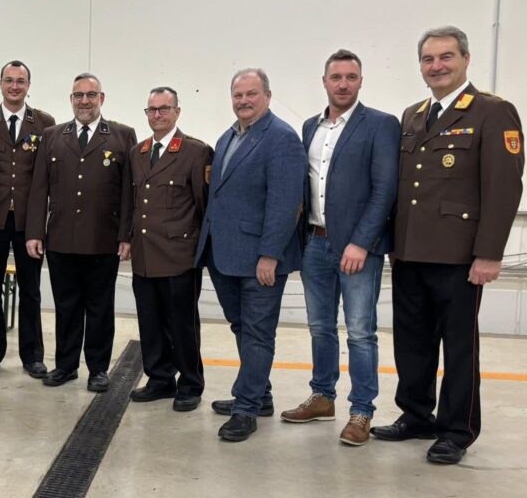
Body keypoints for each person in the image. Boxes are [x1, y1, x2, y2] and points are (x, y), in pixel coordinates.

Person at [370, 26, 524, 465]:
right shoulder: (412, 115)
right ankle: (416, 415)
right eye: (428, 59)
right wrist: (394, 243)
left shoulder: (492, 112)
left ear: (465, 60)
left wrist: (489, 253)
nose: (436, 66)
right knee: (412, 342)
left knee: (459, 348)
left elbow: (503, 188)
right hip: (409, 253)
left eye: (446, 57)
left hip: (459, 256)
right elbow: (404, 187)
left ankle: (457, 429)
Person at [281, 50, 399, 447]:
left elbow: (384, 190)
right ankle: (322, 397)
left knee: (361, 332)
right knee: (320, 327)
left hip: (357, 250)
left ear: (361, 81)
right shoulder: (309, 126)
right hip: (315, 243)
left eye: (351, 77)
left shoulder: (380, 125)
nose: (343, 84)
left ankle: (361, 411)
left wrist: (361, 243)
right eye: (336, 77)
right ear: (325, 82)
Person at [196, 68, 305, 442]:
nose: (243, 101)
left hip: (260, 259)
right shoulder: (228, 136)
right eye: (238, 95)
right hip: (225, 254)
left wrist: (270, 255)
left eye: (251, 94)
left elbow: (285, 203)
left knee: (258, 333)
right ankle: (261, 395)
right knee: (241, 327)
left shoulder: (282, 138)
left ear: (268, 96)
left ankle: (245, 409)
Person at [26, 74, 136, 393]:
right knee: (66, 306)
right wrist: (35, 232)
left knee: (100, 308)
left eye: (90, 95)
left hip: (103, 239)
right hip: (61, 239)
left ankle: (98, 369)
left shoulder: (121, 135)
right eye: (78, 95)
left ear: (102, 98)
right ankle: (66, 365)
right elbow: (39, 188)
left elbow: (129, 191)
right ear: (71, 100)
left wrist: (126, 235)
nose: (84, 101)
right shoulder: (52, 136)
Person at [0, 60, 55, 379]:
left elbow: (47, 179)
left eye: (21, 81)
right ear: (0, 84)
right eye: (9, 80)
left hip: (28, 224)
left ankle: (33, 356)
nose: (14, 86)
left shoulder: (45, 123)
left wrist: (40, 227)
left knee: (31, 290)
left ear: (28, 85)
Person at [128, 87, 212, 412]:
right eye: (151, 110)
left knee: (182, 325)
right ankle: (160, 379)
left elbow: (204, 207)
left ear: (177, 112)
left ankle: (190, 383)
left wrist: (201, 253)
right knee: (150, 323)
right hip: (144, 255)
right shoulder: (138, 152)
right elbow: (132, 202)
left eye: (164, 108)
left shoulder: (195, 152)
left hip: (179, 256)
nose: (157, 115)